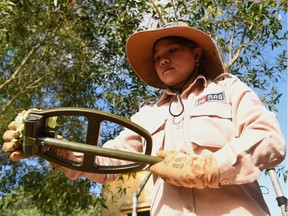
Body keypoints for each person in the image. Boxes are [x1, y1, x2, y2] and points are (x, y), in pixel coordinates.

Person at [3, 22, 286, 215]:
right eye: (157, 56)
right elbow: (108, 159)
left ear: (197, 53)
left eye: (172, 50)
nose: (162, 59)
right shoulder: (147, 115)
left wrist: (211, 166)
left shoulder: (228, 89)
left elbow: (269, 139)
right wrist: (57, 149)